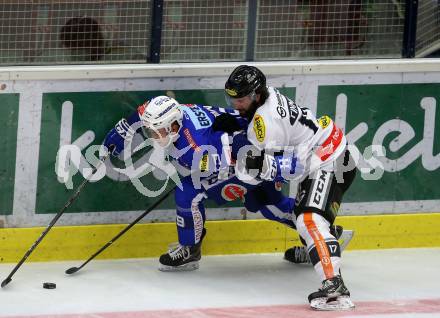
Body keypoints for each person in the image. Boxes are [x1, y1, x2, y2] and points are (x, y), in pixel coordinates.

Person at [102, 95, 309, 272]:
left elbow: (223, 169)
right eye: (151, 132)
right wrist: (124, 130)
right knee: (267, 204)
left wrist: (275, 169)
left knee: (188, 193)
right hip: (250, 144)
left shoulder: (196, 147)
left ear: (174, 127)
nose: (154, 137)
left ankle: (190, 249)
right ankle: (316, 227)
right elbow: (143, 112)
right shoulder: (175, 112)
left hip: (248, 157)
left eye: (157, 132)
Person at [214, 65, 357, 310]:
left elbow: (290, 168)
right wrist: (240, 121)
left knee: (309, 219)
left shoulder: (266, 123)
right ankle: (317, 250)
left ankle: (335, 287)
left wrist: (244, 161)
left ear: (257, 95)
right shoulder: (265, 98)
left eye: (241, 99)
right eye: (232, 98)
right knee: (302, 211)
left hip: (329, 160)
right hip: (326, 151)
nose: (236, 103)